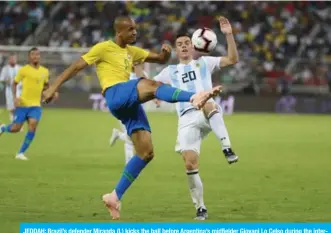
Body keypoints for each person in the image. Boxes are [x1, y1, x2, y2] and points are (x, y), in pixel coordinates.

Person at [42, 16, 222, 220]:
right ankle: (193, 97)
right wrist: (53, 87)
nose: (135, 32)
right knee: (151, 85)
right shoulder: (103, 48)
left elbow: (159, 59)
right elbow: (76, 66)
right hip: (115, 93)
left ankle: (114, 196)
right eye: (130, 30)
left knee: (146, 152)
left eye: (135, 29)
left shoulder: (132, 51)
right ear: (119, 32)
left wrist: (165, 53)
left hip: (127, 104)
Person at [153, 16, 239, 220]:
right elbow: (150, 86)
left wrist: (229, 35)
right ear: (176, 49)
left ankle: (227, 147)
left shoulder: (204, 63)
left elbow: (232, 59)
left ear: (194, 46)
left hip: (205, 112)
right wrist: (155, 96)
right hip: (185, 119)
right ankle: (200, 207)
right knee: (190, 165)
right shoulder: (169, 72)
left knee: (208, 101)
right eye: (179, 44)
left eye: (186, 43)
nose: (183, 46)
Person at [0, 48, 58, 160]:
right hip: (23, 104)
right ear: (29, 57)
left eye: (37, 54)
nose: (35, 56)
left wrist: (52, 92)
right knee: (15, 128)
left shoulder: (44, 71)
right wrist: (15, 98)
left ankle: (20, 153)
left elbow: (45, 86)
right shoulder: (24, 70)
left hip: (36, 105)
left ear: (39, 56)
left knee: (33, 126)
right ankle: (3, 128)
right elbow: (14, 84)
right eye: (33, 55)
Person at [109, 63, 160, 164]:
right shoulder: (123, 74)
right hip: (125, 109)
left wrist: (155, 100)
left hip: (138, 109)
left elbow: (148, 88)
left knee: (134, 136)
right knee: (131, 137)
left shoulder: (142, 75)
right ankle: (129, 163)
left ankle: (118, 134)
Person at [0, 54, 22, 122]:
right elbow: (2, 80)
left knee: (18, 106)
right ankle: (13, 121)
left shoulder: (20, 68)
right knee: (11, 108)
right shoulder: (5, 69)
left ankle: (18, 123)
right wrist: (7, 81)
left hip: (18, 89)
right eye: (11, 59)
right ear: (9, 60)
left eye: (14, 59)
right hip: (9, 90)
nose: (13, 60)